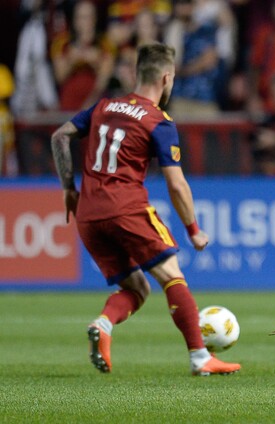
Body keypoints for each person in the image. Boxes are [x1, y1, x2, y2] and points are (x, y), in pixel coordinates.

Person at [50, 43, 241, 376]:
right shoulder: (159, 121)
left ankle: (104, 324)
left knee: (137, 288)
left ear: (138, 73)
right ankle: (200, 358)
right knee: (171, 275)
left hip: (89, 216)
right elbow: (177, 184)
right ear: (167, 78)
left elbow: (60, 136)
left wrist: (68, 188)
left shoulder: (104, 106)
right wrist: (193, 230)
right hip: (126, 209)